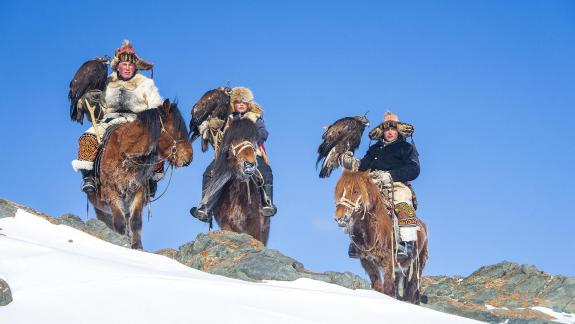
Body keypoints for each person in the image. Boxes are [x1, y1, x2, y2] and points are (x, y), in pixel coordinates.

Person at [71, 40, 164, 195]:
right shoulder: (107, 82)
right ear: (118, 66)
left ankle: (151, 179)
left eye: (130, 65)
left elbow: (156, 106)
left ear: (135, 66)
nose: (127, 68)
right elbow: (100, 111)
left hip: (137, 122)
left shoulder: (146, 84)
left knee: (159, 143)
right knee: (87, 138)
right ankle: (89, 177)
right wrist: (90, 103)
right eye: (124, 64)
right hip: (109, 121)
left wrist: (156, 118)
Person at [190, 86, 277, 221]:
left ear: (248, 104)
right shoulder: (228, 118)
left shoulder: (255, 117)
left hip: (250, 152)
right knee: (209, 173)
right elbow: (220, 136)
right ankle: (205, 207)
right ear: (233, 104)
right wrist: (214, 126)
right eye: (237, 101)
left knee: (265, 171)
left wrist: (253, 141)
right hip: (230, 155)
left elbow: (263, 132)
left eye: (244, 101)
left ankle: (267, 202)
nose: (241, 104)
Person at [342, 111, 421, 259]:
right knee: (356, 202)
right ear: (382, 132)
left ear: (398, 130)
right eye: (386, 129)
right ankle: (356, 241)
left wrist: (390, 175)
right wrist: (351, 162)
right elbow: (362, 166)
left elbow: (414, 169)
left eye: (392, 129)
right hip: (372, 184)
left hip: (395, 185)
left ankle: (406, 243)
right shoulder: (374, 149)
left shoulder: (405, 147)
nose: (389, 132)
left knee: (402, 201)